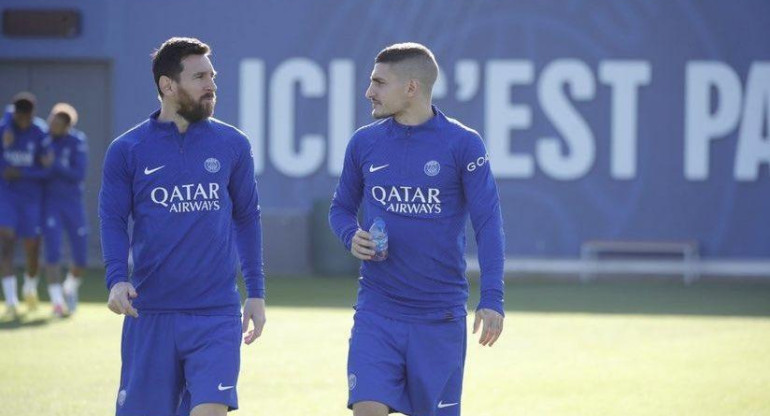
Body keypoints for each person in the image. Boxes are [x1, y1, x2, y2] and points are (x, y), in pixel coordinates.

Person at [329, 43, 506, 416]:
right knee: (367, 409)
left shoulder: (464, 144)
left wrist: (492, 298)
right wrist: (351, 235)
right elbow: (341, 209)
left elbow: (488, 223)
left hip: (439, 317)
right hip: (377, 310)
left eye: (379, 82)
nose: (369, 92)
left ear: (411, 87)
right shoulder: (364, 142)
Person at [99, 37, 266, 416]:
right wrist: (115, 279)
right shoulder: (127, 149)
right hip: (151, 313)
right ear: (167, 86)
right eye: (199, 76)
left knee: (210, 409)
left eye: (212, 75)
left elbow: (247, 217)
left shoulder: (232, 143)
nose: (211, 85)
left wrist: (255, 291)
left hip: (215, 314)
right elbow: (112, 218)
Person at [0, 92, 52, 319]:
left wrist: (22, 172)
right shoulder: (4, 129)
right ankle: (10, 301)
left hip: (31, 199)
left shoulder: (40, 132)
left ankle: (29, 288)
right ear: (16, 114)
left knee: (33, 248)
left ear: (32, 115)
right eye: (20, 117)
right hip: (7, 197)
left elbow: (47, 169)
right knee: (6, 244)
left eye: (27, 118)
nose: (24, 122)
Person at [42, 103, 88, 316]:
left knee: (80, 257)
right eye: (51, 120)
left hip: (72, 204)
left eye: (56, 123)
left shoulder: (77, 141)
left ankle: (69, 289)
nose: (51, 125)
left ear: (66, 126)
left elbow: (78, 174)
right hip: (51, 204)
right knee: (52, 252)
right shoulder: (43, 140)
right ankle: (57, 302)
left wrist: (54, 166)